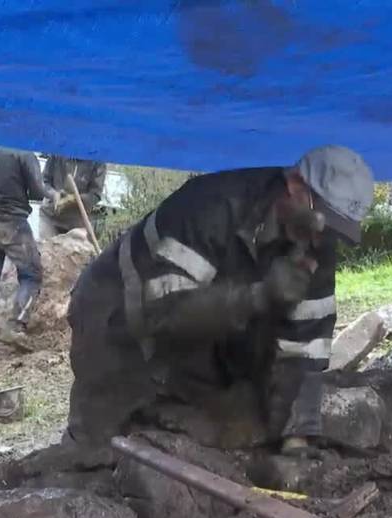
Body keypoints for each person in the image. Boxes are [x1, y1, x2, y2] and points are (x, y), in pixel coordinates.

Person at [64, 145, 374, 456]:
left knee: (194, 435)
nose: (323, 240)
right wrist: (260, 296)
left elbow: (306, 348)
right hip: (114, 313)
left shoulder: (317, 246)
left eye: (335, 231)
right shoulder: (211, 206)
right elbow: (165, 314)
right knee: (98, 450)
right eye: (323, 223)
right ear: (295, 185)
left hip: (202, 336)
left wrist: (298, 437)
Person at [0, 146, 59, 353]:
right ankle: (15, 326)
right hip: (14, 224)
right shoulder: (24, 154)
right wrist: (54, 194)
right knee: (32, 275)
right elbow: (38, 190)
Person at [39, 155, 107, 238]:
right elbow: (43, 182)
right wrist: (54, 195)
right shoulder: (58, 152)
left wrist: (73, 199)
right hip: (50, 216)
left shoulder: (98, 161)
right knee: (46, 248)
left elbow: (95, 195)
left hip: (77, 222)